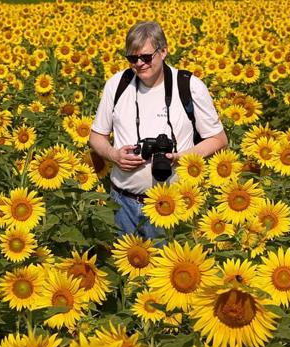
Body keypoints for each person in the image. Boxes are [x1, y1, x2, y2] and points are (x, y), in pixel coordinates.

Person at [90, 21, 228, 241]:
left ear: (163, 51)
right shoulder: (117, 84)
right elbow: (96, 137)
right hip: (123, 203)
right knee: (127, 273)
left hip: (173, 205)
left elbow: (219, 139)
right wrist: (114, 155)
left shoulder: (189, 86)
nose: (139, 64)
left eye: (146, 57)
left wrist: (182, 158)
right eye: (132, 59)